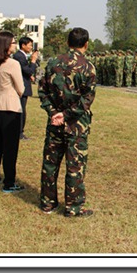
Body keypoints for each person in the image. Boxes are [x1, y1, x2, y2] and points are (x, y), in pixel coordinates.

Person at [38, 27, 97, 217]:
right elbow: (86, 100)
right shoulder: (88, 67)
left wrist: (54, 112)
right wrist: (66, 115)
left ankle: (48, 203)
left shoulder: (52, 63)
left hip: (55, 122)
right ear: (86, 44)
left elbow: (42, 91)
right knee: (75, 165)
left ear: (67, 42)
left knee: (50, 163)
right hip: (76, 125)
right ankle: (74, 207)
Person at [0, 32, 26, 192]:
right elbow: (21, 88)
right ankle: (9, 181)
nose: (15, 45)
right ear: (6, 45)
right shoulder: (13, 63)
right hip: (10, 106)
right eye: (13, 42)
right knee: (10, 147)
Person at [12, 36, 40, 140]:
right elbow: (28, 70)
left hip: (23, 84)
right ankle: (19, 132)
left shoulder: (21, 56)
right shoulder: (19, 56)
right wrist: (33, 61)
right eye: (30, 45)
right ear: (23, 45)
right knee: (21, 110)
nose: (31, 47)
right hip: (22, 87)